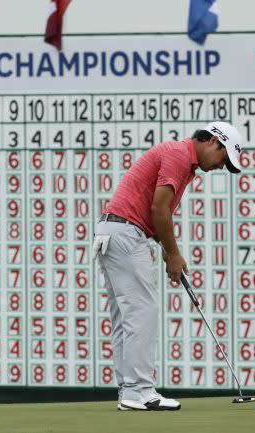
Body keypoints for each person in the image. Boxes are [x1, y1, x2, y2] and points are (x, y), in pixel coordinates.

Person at [93, 122, 243, 411]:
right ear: (213, 141)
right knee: (142, 311)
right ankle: (139, 390)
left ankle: (129, 391)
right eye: (223, 159)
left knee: (127, 316)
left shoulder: (182, 162)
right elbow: (159, 209)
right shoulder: (178, 155)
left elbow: (156, 212)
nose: (220, 167)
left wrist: (166, 249)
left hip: (114, 233)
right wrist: (172, 253)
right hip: (126, 234)